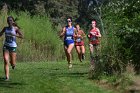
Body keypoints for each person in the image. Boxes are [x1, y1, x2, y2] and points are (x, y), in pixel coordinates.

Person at [0, 16, 23, 80]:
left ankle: (13, 64)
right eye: (8, 20)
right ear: (7, 21)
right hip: (6, 46)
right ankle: (7, 77)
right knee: (5, 60)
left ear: (12, 21)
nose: (9, 21)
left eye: (10, 20)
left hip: (13, 46)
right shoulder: (5, 28)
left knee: (13, 63)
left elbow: (22, 36)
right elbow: (0, 34)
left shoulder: (15, 28)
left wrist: (14, 35)